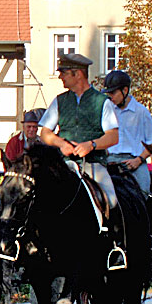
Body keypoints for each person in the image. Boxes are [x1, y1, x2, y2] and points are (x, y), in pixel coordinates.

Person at [38, 52, 126, 270]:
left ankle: (116, 249)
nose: (60, 78)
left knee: (111, 200)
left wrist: (92, 144)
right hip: (64, 163)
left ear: (77, 74)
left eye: (64, 74)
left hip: (93, 163)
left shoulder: (101, 102)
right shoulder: (60, 101)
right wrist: (61, 144)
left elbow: (113, 136)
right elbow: (45, 133)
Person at [102, 70, 152, 196]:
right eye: (108, 94)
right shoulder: (106, 111)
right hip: (110, 161)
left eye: (113, 93)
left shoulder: (141, 112)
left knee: (144, 192)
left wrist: (138, 160)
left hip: (134, 162)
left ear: (125, 90)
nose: (110, 97)